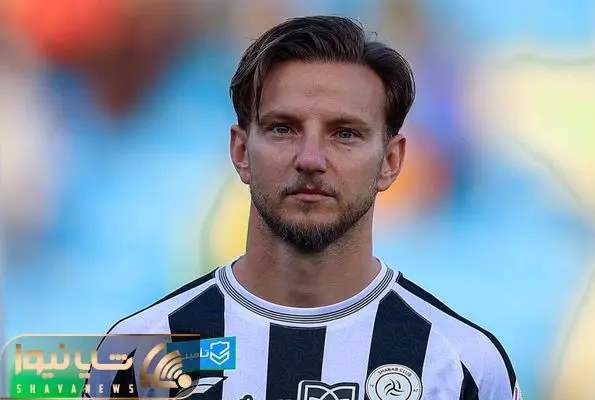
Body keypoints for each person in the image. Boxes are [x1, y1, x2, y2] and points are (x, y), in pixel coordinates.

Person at [86, 15, 520, 400]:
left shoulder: (462, 365)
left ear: (391, 162)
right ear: (241, 151)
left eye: (344, 133)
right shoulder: (141, 352)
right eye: (283, 128)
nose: (311, 159)